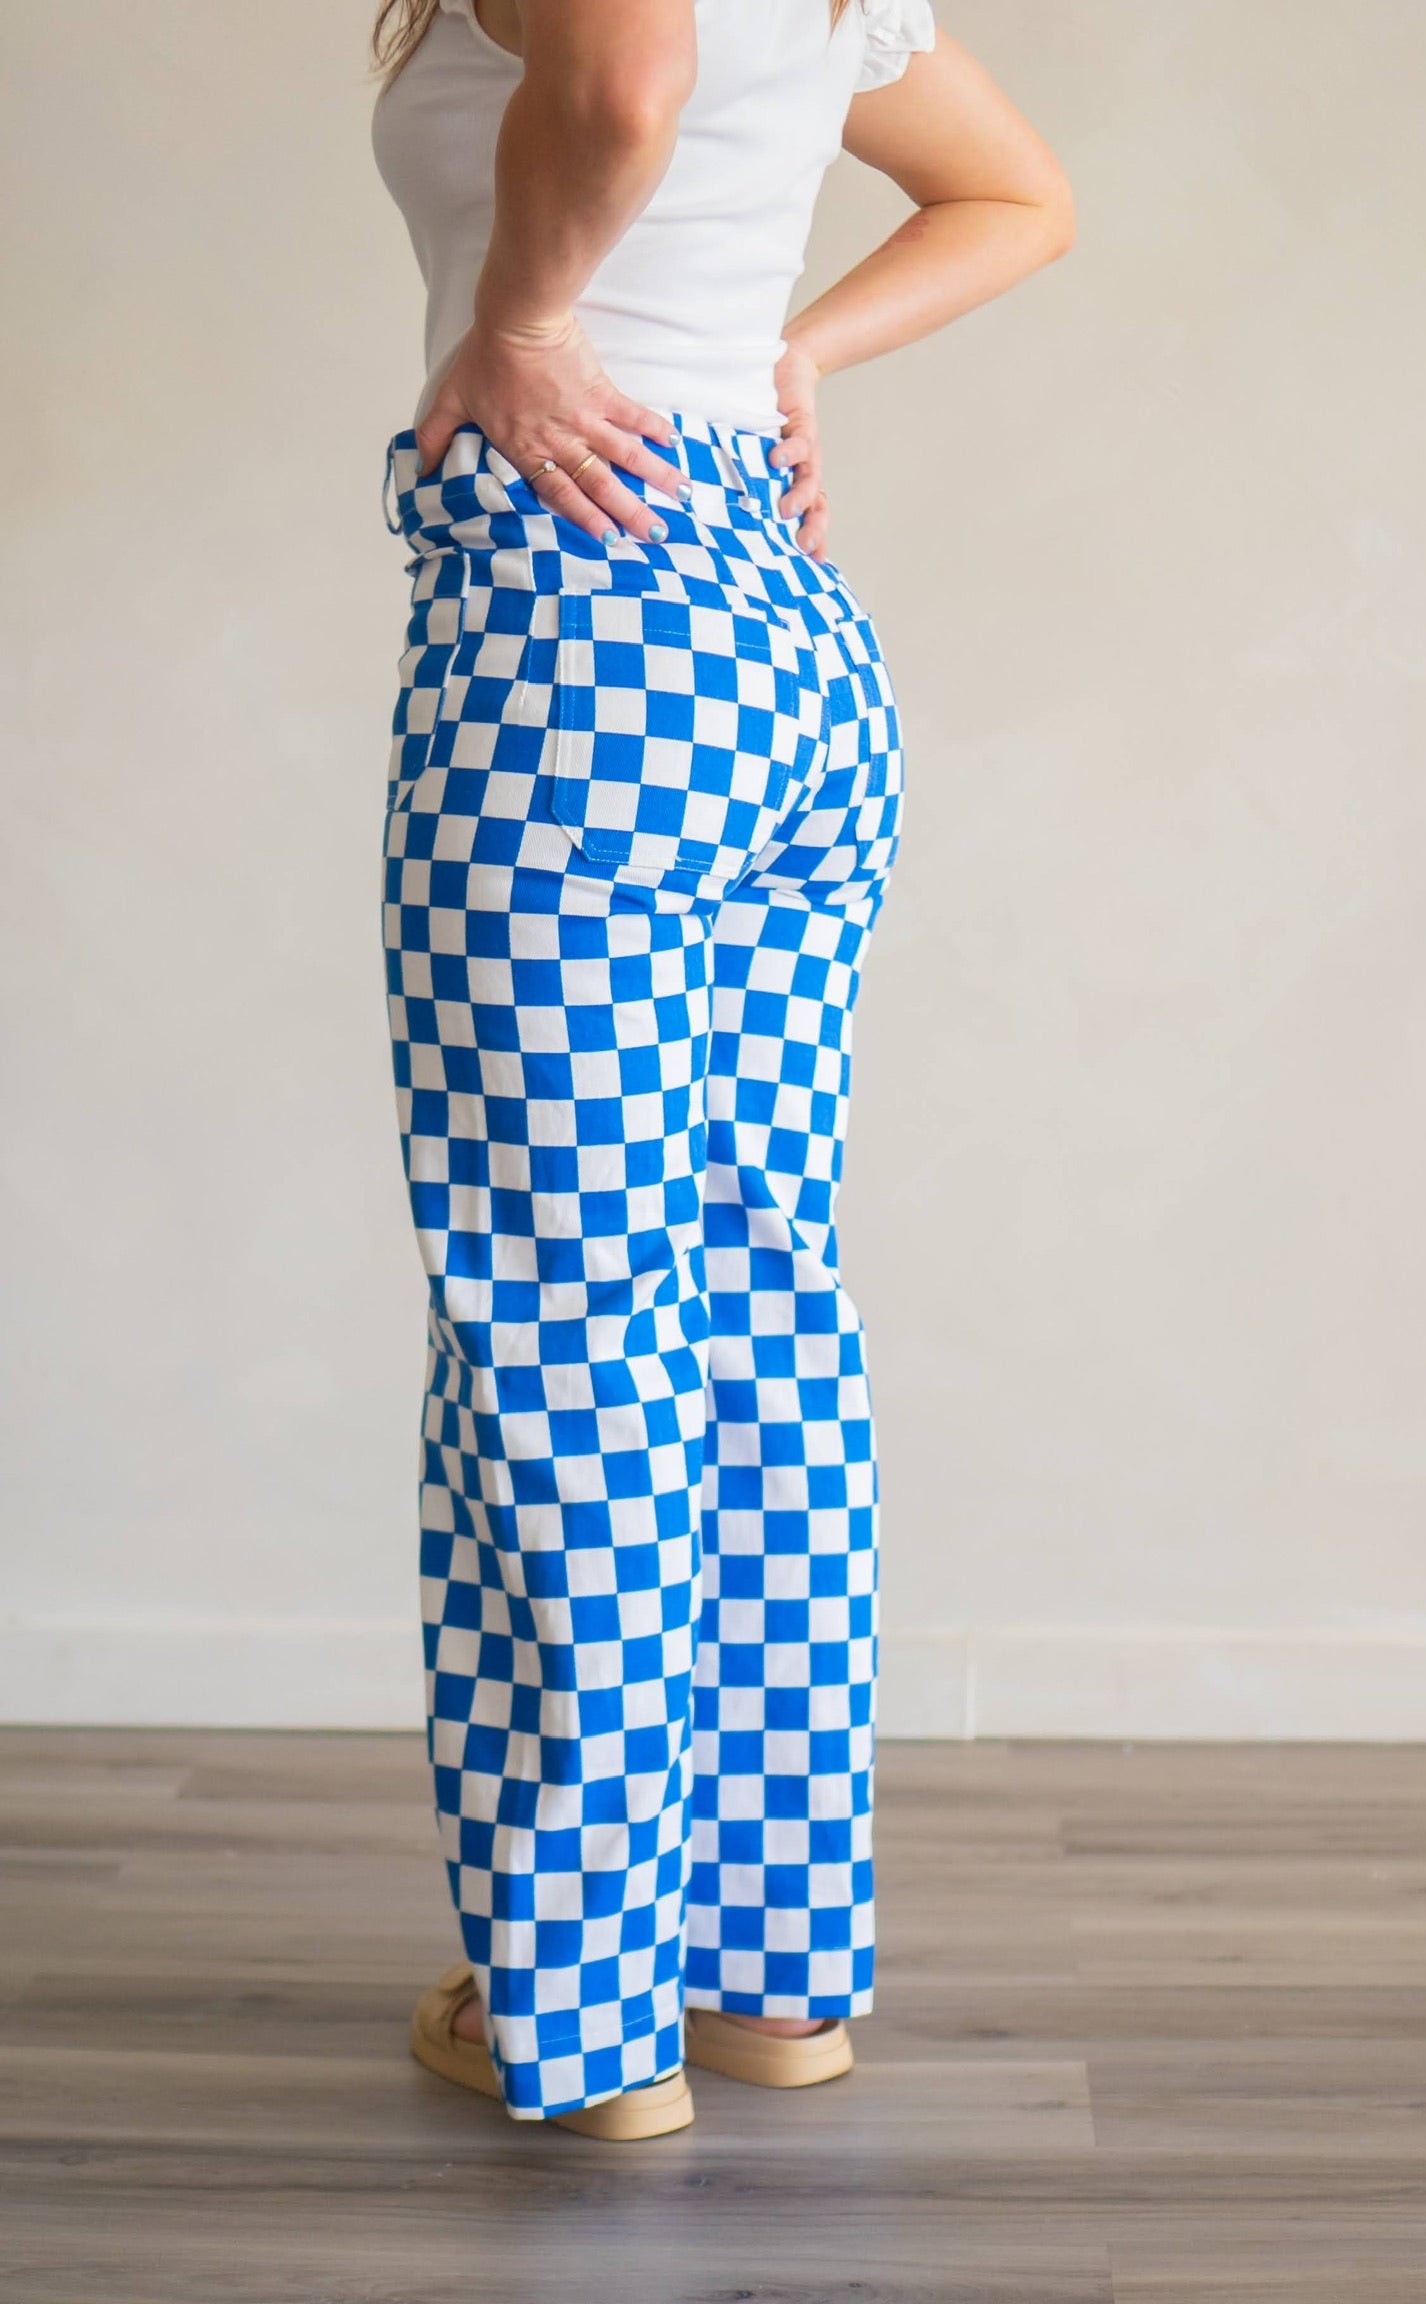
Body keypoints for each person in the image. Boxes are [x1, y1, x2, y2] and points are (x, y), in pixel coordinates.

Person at [371, 0, 1072, 2142]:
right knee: (754, 1296)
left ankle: (577, 2022)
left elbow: (628, 76)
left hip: (584, 639)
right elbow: (1020, 193)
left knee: (567, 1309)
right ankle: (770, 1983)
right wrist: (795, 357)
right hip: (779, 636)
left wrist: (520, 316)